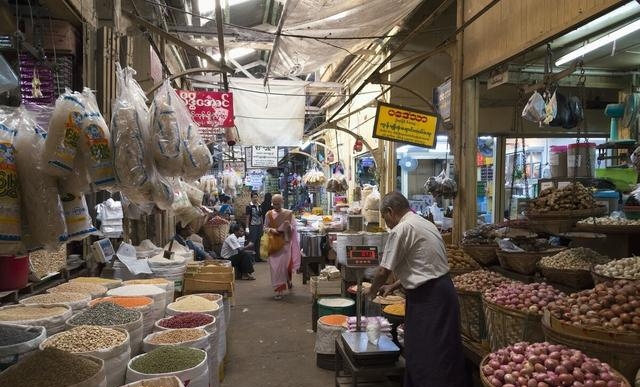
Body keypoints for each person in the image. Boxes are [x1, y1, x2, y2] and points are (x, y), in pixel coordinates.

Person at [365, 191, 468, 387]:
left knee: (427, 351)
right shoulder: (424, 223)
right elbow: (422, 264)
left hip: (429, 298)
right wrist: (394, 285)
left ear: (390, 211)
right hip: (444, 291)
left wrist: (371, 293)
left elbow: (382, 271)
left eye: (384, 217)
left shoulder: (401, 229)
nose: (386, 223)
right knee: (444, 347)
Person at [264, 194, 301, 300]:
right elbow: (265, 227)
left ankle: (287, 281)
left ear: (282, 202)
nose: (276, 206)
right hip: (273, 244)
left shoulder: (289, 214)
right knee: (275, 268)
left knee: (284, 267)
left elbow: (294, 228)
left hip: (285, 244)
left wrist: (287, 227)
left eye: (278, 204)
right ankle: (278, 290)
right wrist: (272, 230)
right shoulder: (269, 214)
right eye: (274, 204)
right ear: (272, 203)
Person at [245, 191, 264, 263]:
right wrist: (247, 227)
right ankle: (252, 258)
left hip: (259, 225)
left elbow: (261, 216)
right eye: (254, 197)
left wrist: (262, 225)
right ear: (251, 198)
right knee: (252, 241)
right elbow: (247, 217)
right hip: (252, 226)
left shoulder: (259, 205)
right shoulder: (249, 206)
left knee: (258, 241)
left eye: (256, 197)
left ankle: (258, 257)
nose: (255, 198)